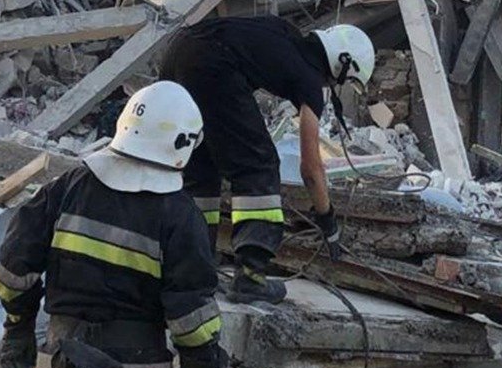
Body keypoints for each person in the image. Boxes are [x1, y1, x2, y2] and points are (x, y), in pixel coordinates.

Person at [0, 81, 226, 368]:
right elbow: (191, 318)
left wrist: (18, 327)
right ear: (183, 143)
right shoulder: (180, 216)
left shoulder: (68, 187)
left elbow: (12, 273)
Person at [161, 17, 375, 303]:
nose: (332, 86)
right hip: (214, 64)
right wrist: (327, 219)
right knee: (258, 166)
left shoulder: (286, 35)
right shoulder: (310, 78)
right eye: (341, 81)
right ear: (341, 63)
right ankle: (251, 277)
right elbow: (311, 168)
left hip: (178, 52)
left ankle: (194, 271)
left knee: (203, 169)